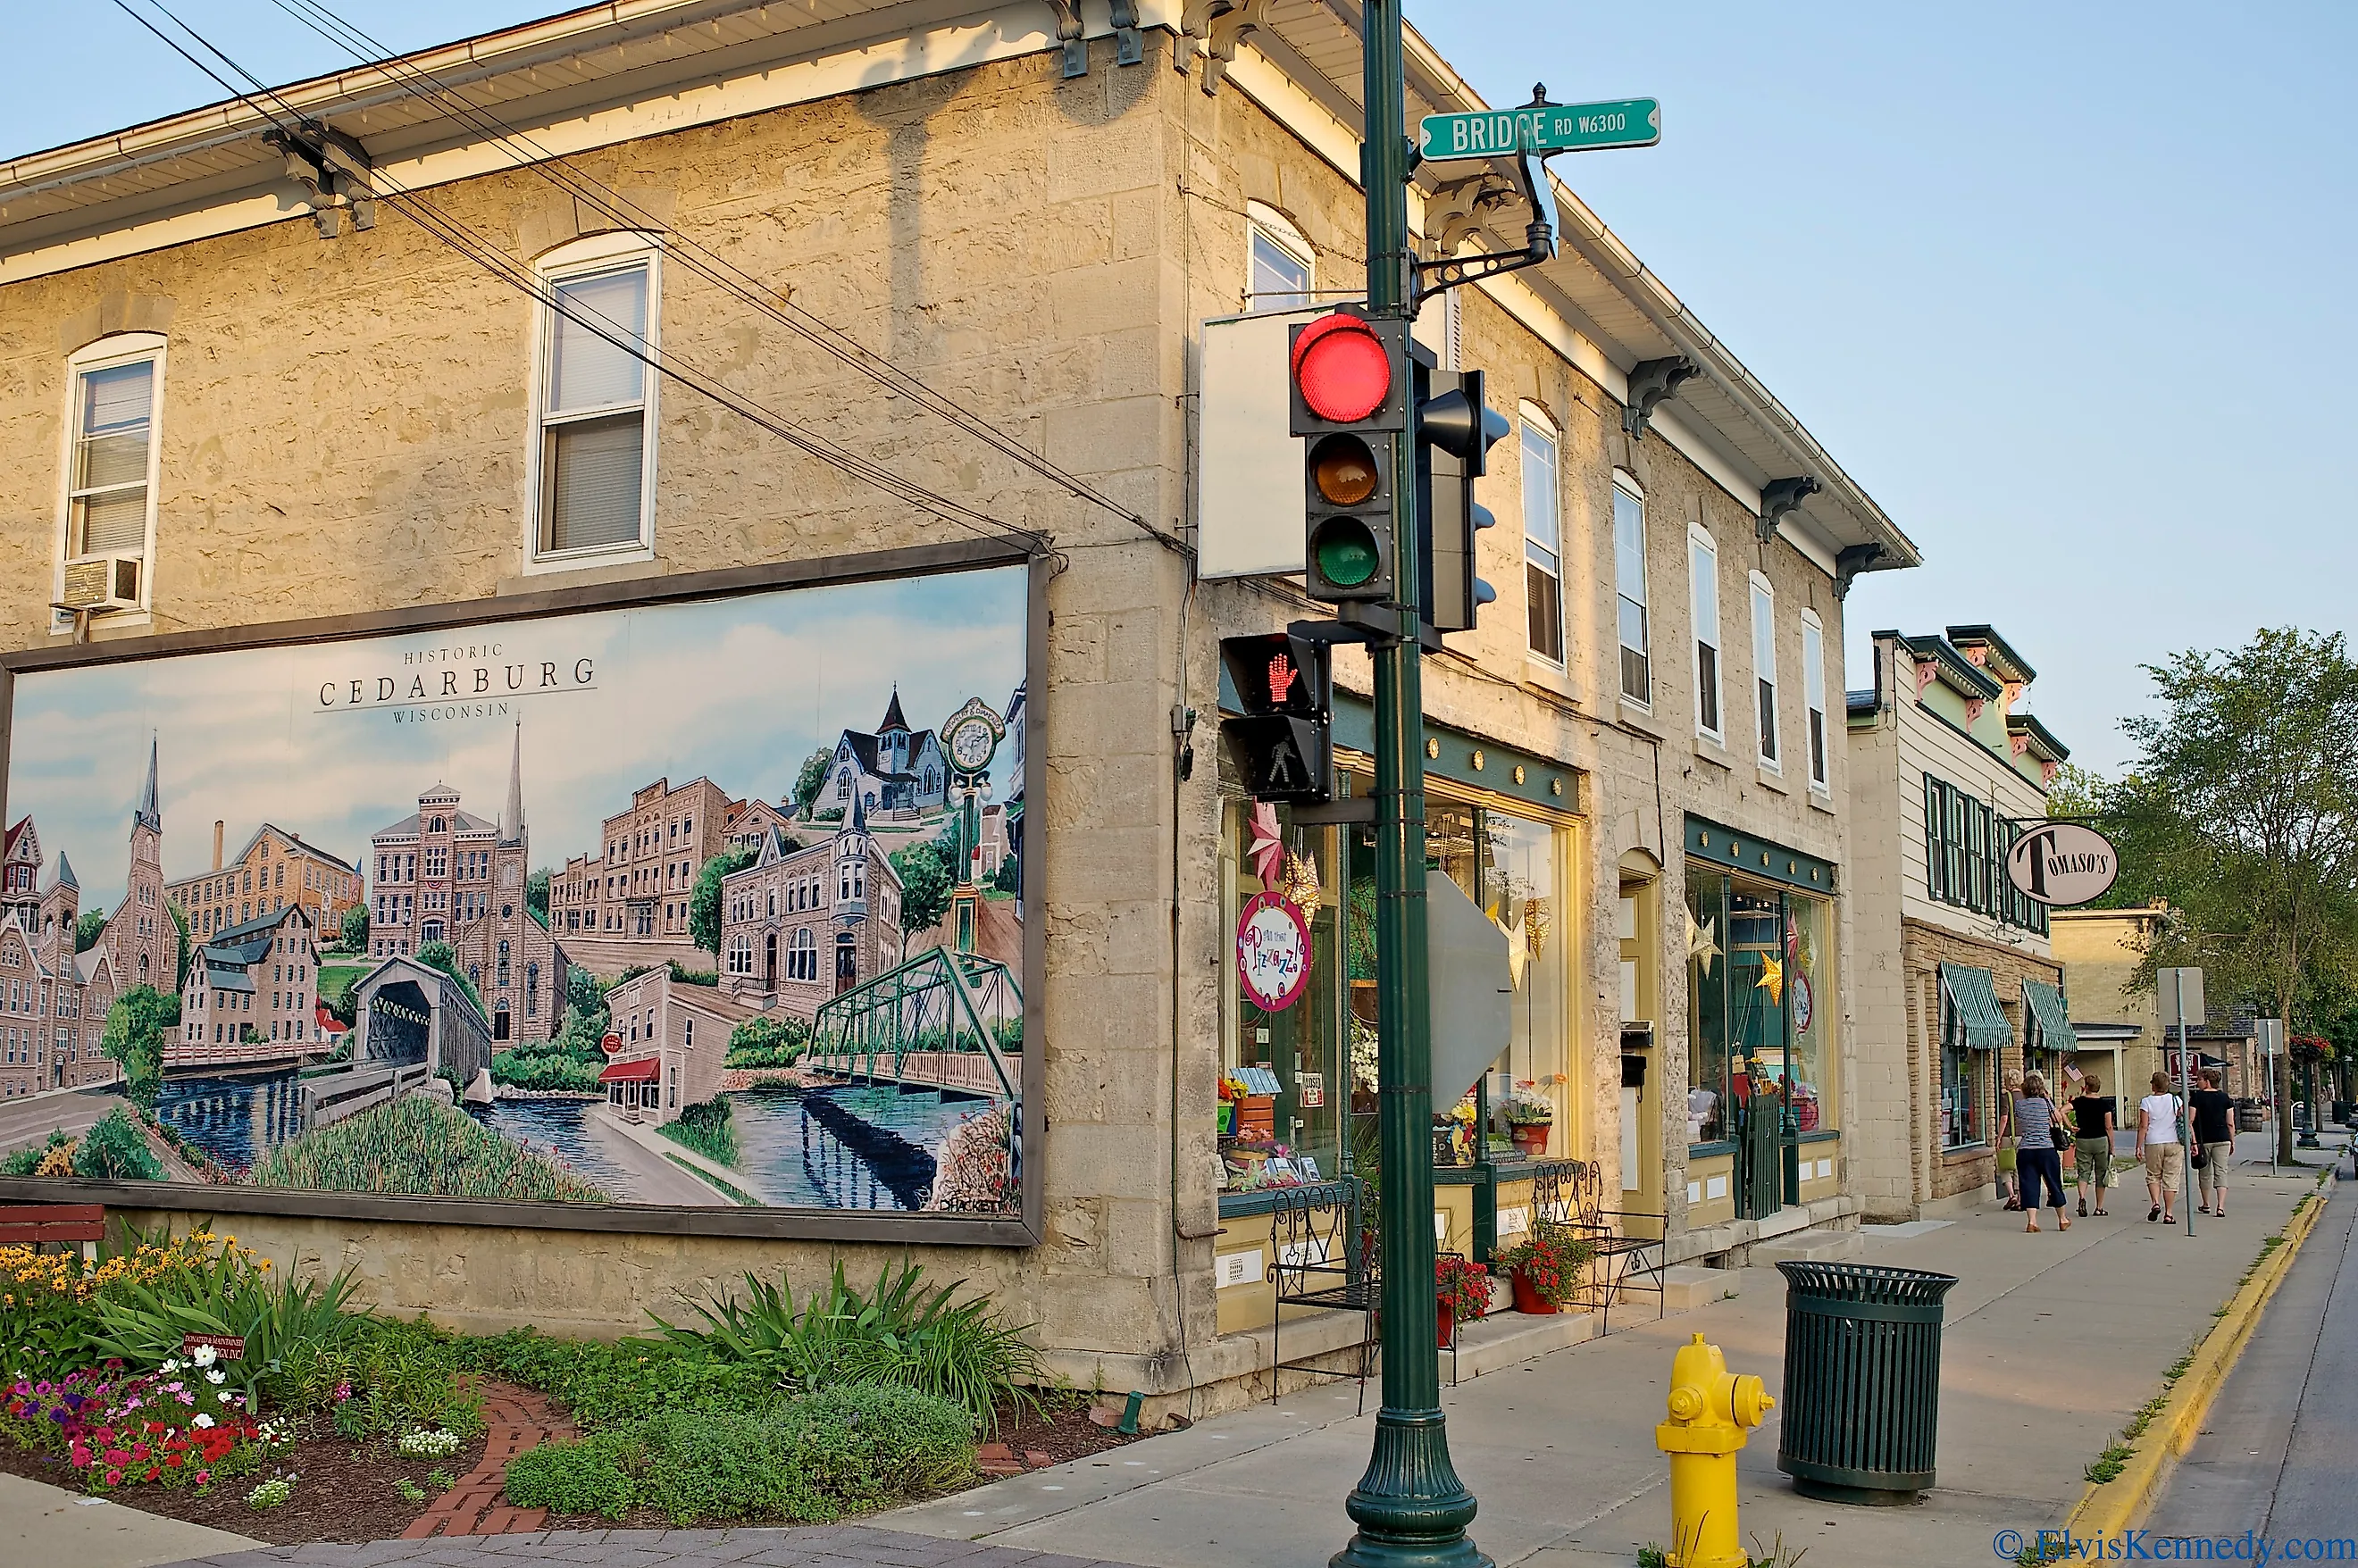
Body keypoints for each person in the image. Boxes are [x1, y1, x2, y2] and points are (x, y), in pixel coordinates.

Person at [2013, 1071, 2070, 1232]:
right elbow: (2058, 1118)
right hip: (2046, 1148)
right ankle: (2062, 1219)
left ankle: (2032, 1221)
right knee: (2053, 1183)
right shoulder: (2045, 1103)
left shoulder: (2019, 1105)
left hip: (2026, 1149)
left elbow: (2019, 1118)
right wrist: (2048, 1099)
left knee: (2029, 1184)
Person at [2138, 1070, 2186, 1224]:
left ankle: (2155, 1203)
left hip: (2153, 1141)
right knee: (2171, 1177)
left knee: (2153, 1175)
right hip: (2173, 1141)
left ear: (2153, 1085)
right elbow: (2183, 1120)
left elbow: (2143, 1126)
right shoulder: (2176, 1100)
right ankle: (2169, 1213)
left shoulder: (2146, 1102)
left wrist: (2139, 1146)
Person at [2190, 1066, 2236, 1217]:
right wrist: (2232, 1140)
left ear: (2208, 1081)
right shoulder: (2225, 1098)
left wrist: (2193, 1141)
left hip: (2203, 1140)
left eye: (2200, 1080)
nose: (2197, 1083)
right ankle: (2220, 1207)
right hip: (2222, 1138)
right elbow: (2230, 1122)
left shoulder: (2197, 1098)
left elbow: (2191, 1120)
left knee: (2204, 1172)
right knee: (2221, 1172)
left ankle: (2206, 1204)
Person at [2071, 1073, 2118, 1217]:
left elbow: (2061, 1111)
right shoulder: (2104, 1104)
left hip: (2083, 1139)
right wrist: (2112, 1145)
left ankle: (2082, 1198)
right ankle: (2099, 1207)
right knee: (2101, 1174)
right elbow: (2109, 1126)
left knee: (2084, 1171)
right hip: (2100, 1140)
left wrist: (2070, 1126)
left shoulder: (2078, 1102)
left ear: (2086, 1087)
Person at [1995, 1065, 2026, 1209]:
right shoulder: (2025, 1096)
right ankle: (2020, 1199)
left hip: (2009, 1135)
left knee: (2005, 1166)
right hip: (2024, 1135)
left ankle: (2011, 1195)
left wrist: (1999, 1137)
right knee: (2020, 1167)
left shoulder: (2006, 1096)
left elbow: (2004, 1118)